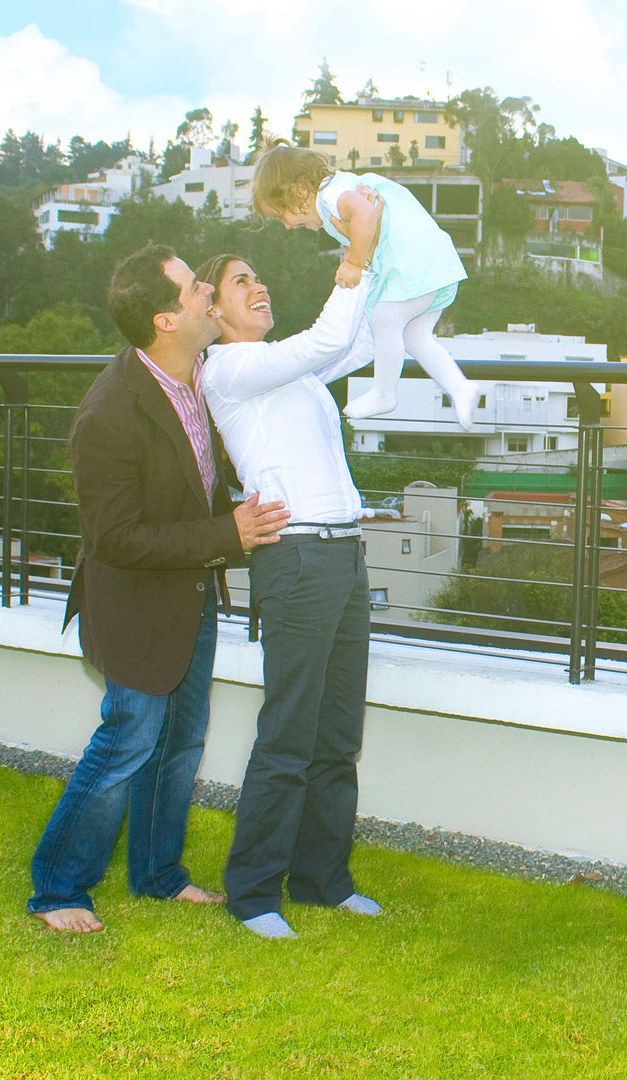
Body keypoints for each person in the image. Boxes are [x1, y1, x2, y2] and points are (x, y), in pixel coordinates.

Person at [27, 243, 291, 933]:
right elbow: (115, 539)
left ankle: (158, 876)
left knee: (180, 744)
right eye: (193, 288)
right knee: (126, 743)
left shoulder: (203, 374)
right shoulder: (107, 416)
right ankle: (57, 887)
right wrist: (225, 536)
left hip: (189, 598)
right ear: (164, 321)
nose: (208, 292)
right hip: (135, 609)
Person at [195, 251, 385, 940]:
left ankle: (322, 881)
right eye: (242, 281)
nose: (260, 283)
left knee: (337, 734)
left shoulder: (290, 372)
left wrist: (387, 275)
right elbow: (330, 340)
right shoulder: (229, 368)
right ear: (213, 312)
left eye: (258, 273)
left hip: (342, 553)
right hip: (299, 559)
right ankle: (252, 894)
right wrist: (353, 260)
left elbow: (357, 341)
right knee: (290, 733)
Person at [252, 145, 480, 428]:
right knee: (416, 338)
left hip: (411, 265)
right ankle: (459, 387)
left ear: (298, 192)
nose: (286, 225)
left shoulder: (330, 196)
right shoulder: (342, 185)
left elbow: (365, 212)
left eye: (280, 215)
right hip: (430, 262)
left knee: (383, 318)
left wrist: (353, 263)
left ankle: (384, 393)